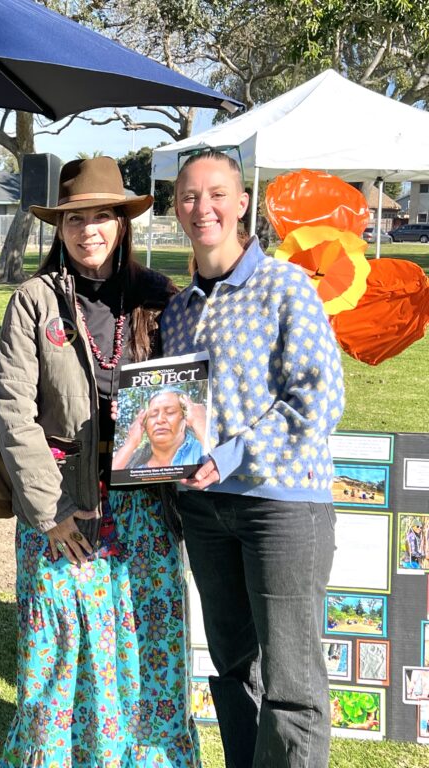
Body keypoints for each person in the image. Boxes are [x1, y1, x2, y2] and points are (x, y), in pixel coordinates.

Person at [0, 156, 199, 767]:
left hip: (146, 509)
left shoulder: (159, 298)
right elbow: (13, 410)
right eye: (76, 218)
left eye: (102, 215)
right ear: (59, 226)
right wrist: (49, 512)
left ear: (122, 222)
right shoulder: (35, 301)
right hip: (64, 506)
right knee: (58, 658)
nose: (89, 229)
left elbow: (193, 394)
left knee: (148, 651)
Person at [161, 148, 345, 768]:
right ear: (176, 208)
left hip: (282, 507)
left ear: (242, 205)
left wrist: (237, 454)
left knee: (291, 683)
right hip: (207, 513)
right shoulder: (179, 312)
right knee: (234, 670)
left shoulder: (284, 285)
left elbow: (320, 395)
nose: (202, 207)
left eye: (216, 194)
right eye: (189, 196)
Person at [112, 388, 206, 470]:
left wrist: (201, 425)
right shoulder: (135, 463)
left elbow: (218, 466)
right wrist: (131, 443)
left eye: (170, 412)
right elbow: (112, 479)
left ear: (186, 418)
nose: (160, 420)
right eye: (153, 414)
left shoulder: (203, 451)